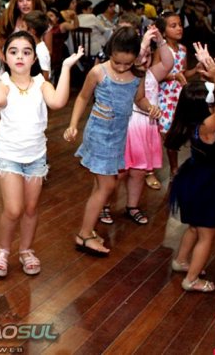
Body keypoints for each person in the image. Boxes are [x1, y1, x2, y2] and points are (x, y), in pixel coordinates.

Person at [0, 32, 84, 277]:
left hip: (36, 157)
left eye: (26, 52)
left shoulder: (41, 84)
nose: (20, 57)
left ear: (34, 58)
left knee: (31, 208)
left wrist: (67, 67)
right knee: (13, 209)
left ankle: (26, 250)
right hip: (8, 156)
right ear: (6, 57)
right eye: (13, 52)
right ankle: (2, 250)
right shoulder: (3, 82)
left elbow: (57, 102)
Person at [64, 26, 154, 256]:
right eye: (117, 62)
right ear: (110, 52)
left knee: (100, 185)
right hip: (98, 134)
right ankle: (85, 234)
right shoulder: (98, 72)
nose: (122, 67)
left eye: (127, 63)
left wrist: (150, 108)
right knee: (107, 186)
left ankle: (87, 230)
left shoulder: (137, 76)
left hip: (118, 136)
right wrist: (73, 124)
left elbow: (140, 99)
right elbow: (82, 97)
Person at [166, 48, 215, 293]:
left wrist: (206, 71)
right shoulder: (207, 126)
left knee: (194, 227)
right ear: (203, 104)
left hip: (194, 181)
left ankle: (181, 261)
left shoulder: (191, 118)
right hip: (207, 187)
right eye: (210, 97)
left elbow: (194, 94)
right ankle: (191, 279)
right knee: (207, 234)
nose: (213, 99)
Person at [99, 26, 174, 225]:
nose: (144, 59)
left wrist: (160, 40)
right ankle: (104, 205)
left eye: (148, 56)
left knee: (139, 172)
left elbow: (169, 62)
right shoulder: (127, 75)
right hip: (128, 126)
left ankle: (132, 206)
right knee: (120, 172)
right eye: (141, 55)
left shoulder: (152, 74)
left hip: (146, 128)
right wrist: (144, 43)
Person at [153, 10, 198, 184]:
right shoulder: (160, 51)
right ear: (163, 32)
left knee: (179, 132)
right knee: (167, 133)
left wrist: (196, 70)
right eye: (173, 26)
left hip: (179, 96)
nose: (179, 28)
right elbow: (154, 76)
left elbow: (183, 73)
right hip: (165, 96)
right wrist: (173, 76)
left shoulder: (183, 49)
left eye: (180, 25)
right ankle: (170, 169)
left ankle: (178, 168)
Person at [0, 0, 49, 65]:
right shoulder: (10, 21)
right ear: (16, 4)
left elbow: (47, 52)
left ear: (35, 1)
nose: (25, 3)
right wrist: (6, 61)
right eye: (21, 0)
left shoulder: (42, 22)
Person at [47, 7, 79, 81]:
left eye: (51, 16)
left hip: (57, 54)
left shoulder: (62, 26)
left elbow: (75, 26)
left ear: (57, 18)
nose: (49, 18)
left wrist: (75, 16)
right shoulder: (45, 27)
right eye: (47, 16)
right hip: (48, 52)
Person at [22, 10, 51, 81]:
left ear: (32, 31)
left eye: (23, 26)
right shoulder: (32, 46)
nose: (20, 29)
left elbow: (45, 76)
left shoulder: (41, 51)